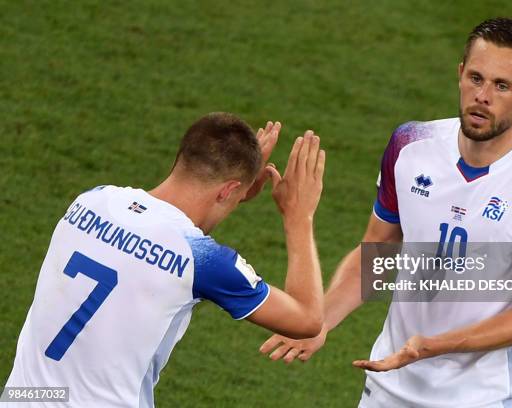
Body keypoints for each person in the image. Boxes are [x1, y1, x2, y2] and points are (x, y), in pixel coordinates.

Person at [260, 17, 512, 407]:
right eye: (476, 78)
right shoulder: (411, 144)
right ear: (460, 73)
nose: (483, 95)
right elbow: (377, 250)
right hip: (386, 388)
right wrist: (320, 321)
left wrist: (432, 347)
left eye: (502, 85)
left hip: (478, 399)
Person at [1, 112, 326, 407]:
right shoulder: (205, 260)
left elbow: (160, 228)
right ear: (228, 191)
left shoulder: (91, 201)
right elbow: (307, 320)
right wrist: (298, 216)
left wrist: (237, 189)